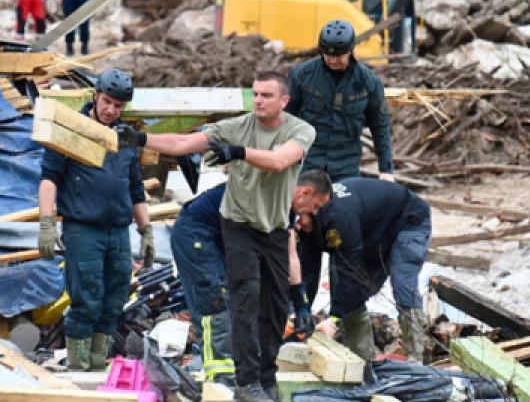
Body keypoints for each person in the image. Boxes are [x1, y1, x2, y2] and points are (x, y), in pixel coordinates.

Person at [116, 71, 332, 402]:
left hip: (268, 231)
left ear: (284, 101)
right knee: (233, 300)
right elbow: (184, 143)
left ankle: (264, 377)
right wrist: (142, 140)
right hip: (226, 228)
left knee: (273, 307)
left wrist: (301, 302)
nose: (259, 100)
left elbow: (278, 161)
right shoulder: (236, 127)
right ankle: (237, 381)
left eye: (267, 95)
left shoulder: (300, 131)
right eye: (255, 94)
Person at [37, 69, 154, 372]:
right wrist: (47, 224)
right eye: (106, 102)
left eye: (117, 106)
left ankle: (97, 365)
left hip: (118, 232)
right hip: (84, 230)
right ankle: (78, 367)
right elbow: (49, 179)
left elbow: (136, 188)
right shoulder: (71, 131)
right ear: (95, 96)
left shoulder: (124, 137)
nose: (110, 110)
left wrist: (146, 231)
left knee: (114, 299)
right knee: (86, 300)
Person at [171, 169, 331, 389]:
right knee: (215, 301)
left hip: (225, 237)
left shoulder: (287, 208)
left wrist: (301, 305)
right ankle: (220, 379)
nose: (313, 214)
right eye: (315, 207)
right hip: (197, 231)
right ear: (305, 192)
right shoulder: (269, 191)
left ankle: (237, 371)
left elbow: (290, 255)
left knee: (243, 300)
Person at [295, 177, 432, 363]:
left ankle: (415, 360)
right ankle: (362, 359)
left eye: (299, 218)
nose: (297, 224)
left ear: (314, 209)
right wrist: (302, 311)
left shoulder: (340, 216)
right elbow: (308, 273)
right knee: (348, 287)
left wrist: (333, 320)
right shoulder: (306, 224)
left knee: (402, 285)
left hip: (407, 221)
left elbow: (350, 269)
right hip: (372, 231)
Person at [285, 19, 394, 183]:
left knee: (344, 207)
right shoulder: (302, 76)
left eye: (338, 56)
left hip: (346, 166)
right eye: (328, 55)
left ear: (350, 51)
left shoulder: (369, 82)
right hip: (306, 162)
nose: (333, 60)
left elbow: (380, 128)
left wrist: (386, 170)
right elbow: (284, 118)